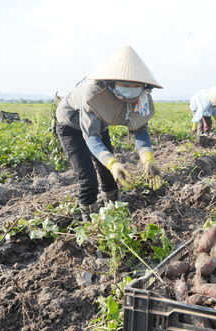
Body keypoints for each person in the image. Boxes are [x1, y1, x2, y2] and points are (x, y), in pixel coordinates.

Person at [55, 46, 163, 222]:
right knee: (88, 176)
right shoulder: (95, 92)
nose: (131, 88)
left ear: (143, 85)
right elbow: (91, 136)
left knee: (107, 171)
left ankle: (113, 211)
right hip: (71, 126)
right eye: (125, 84)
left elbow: (140, 128)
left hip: (99, 127)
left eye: (135, 84)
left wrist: (148, 159)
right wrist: (113, 162)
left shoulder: (142, 96)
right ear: (113, 81)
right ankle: (90, 221)